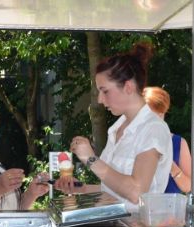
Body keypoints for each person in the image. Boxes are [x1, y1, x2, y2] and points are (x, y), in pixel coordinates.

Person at [57, 43, 173, 213]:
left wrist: (91, 160)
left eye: (105, 91)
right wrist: (81, 189)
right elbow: (114, 189)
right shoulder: (117, 129)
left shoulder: (153, 129)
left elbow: (136, 192)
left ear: (128, 87)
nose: (100, 100)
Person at [143, 86, 191, 193]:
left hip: (170, 208)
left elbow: (188, 187)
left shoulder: (179, 143)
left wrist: (171, 165)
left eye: (160, 114)